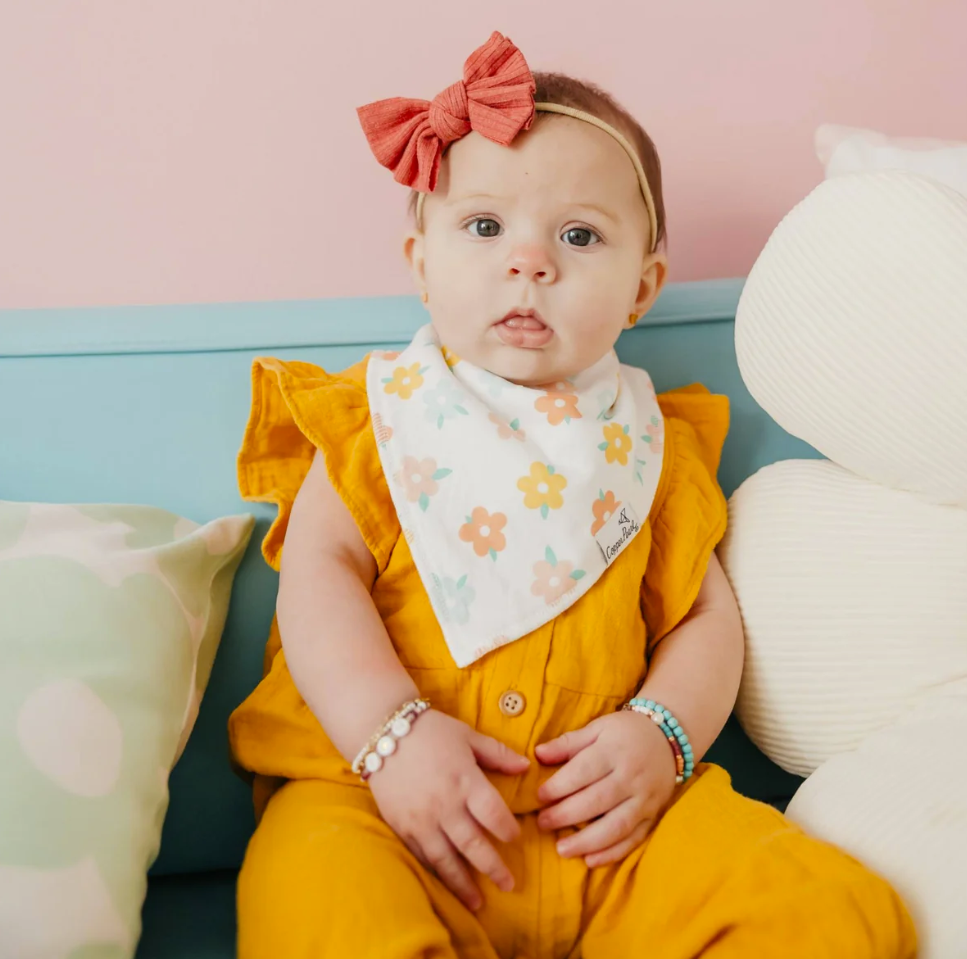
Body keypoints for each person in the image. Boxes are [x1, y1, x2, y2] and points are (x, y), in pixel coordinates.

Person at [229, 31, 915, 959]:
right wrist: (389, 736)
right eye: (483, 227)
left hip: (609, 833)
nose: (530, 263)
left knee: (830, 912)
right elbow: (319, 578)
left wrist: (661, 731)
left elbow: (703, 620)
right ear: (419, 258)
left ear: (644, 286)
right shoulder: (372, 421)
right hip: (383, 807)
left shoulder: (653, 450)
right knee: (314, 905)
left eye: (579, 235)